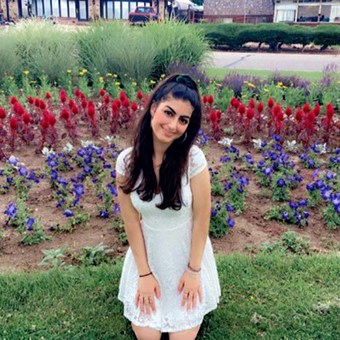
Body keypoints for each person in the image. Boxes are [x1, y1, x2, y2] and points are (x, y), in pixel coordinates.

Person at [116, 74, 221, 340]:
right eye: (169, 113)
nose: (173, 125)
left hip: (187, 255)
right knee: (147, 336)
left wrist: (194, 271)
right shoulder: (126, 163)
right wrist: (144, 274)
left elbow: (201, 219)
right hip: (149, 256)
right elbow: (131, 222)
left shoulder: (193, 160)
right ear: (154, 108)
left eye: (183, 120)